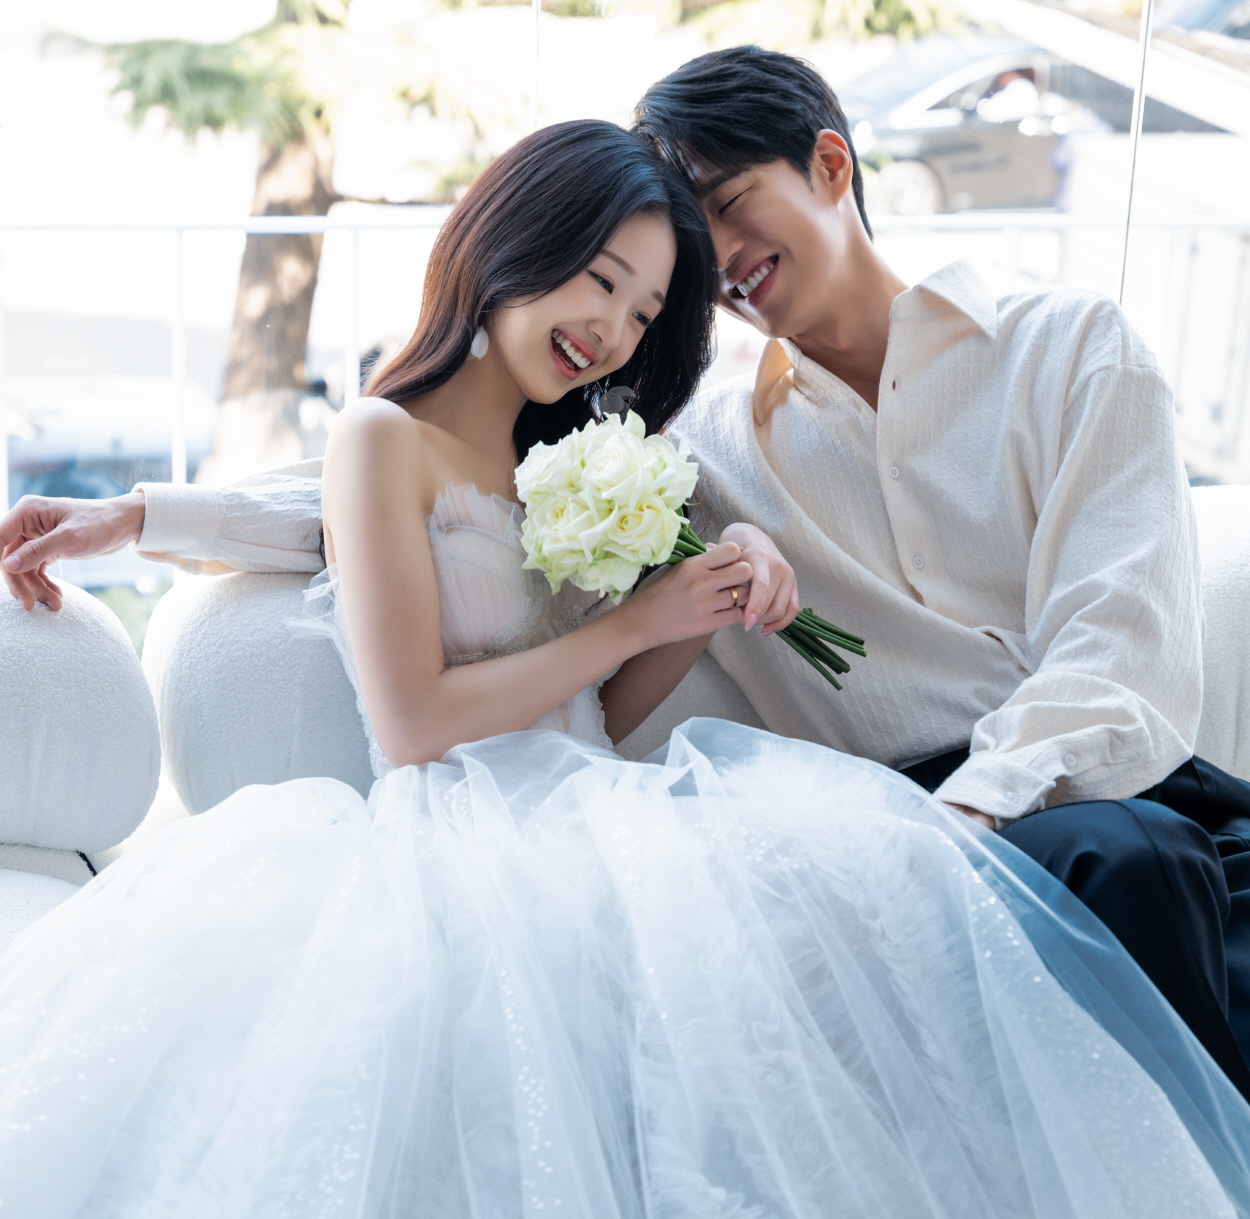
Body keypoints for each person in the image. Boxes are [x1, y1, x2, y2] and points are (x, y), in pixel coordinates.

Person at [1, 115, 1250, 1219]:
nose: (611, 323)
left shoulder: (585, 461)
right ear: (506, 241)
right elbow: (412, 712)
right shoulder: (378, 432)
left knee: (853, 1004)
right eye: (598, 276)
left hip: (617, 826)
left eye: (649, 305)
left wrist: (705, 608)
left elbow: (604, 702)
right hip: (467, 840)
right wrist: (149, 521)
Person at [11, 49, 1250, 1099]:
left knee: (1134, 860)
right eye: (667, 257)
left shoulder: (1069, 351)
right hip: (917, 830)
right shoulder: (699, 449)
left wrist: (964, 822)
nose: (719, 261)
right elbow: (429, 497)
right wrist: (140, 516)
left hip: (1103, 795)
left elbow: (1118, 655)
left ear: (830, 165)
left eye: (727, 204)